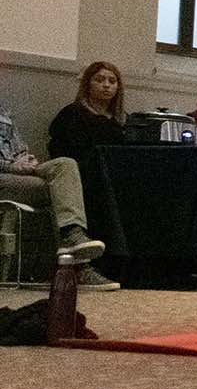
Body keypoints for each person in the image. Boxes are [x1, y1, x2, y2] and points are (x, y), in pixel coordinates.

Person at [0, 101, 113, 288]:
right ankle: (79, 268)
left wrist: (26, 158)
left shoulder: (3, 109)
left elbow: (18, 147)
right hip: (5, 173)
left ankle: (73, 235)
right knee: (62, 190)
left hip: (20, 169)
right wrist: (11, 166)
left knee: (65, 165)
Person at [48, 61, 126, 161]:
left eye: (112, 81)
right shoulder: (72, 114)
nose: (106, 85)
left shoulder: (122, 118)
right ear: (88, 84)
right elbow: (61, 152)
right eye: (99, 80)